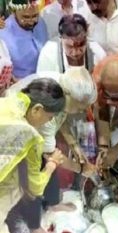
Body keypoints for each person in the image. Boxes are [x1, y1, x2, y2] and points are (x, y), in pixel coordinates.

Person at [5, 67, 98, 233]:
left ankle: (53, 203)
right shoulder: (40, 119)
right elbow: (46, 160)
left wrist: (74, 145)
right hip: (13, 140)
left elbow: (60, 121)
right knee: (30, 181)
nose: (81, 112)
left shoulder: (60, 91)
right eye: (79, 108)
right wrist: (81, 169)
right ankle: (34, 226)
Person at [0, 78, 66, 232]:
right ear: (37, 109)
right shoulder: (29, 135)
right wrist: (52, 164)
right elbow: (34, 187)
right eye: (49, 118)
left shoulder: (6, 101)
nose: (47, 122)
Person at [37, 13, 106, 73]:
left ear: (86, 36)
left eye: (81, 45)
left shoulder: (97, 52)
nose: (75, 53)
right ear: (61, 39)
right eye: (69, 46)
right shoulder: (48, 54)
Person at [0, 0, 48, 80]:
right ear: (14, 12)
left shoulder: (41, 22)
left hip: (46, 79)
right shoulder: (3, 35)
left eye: (35, 15)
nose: (31, 21)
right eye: (26, 17)